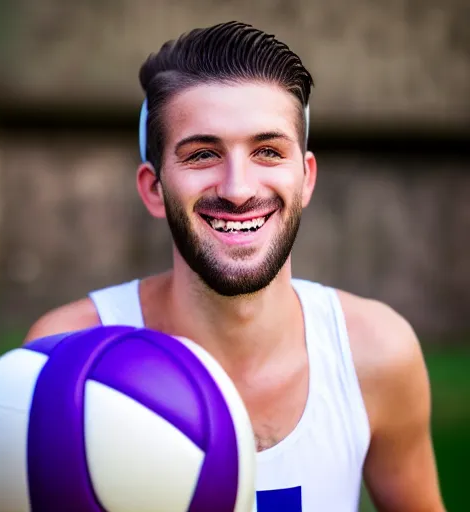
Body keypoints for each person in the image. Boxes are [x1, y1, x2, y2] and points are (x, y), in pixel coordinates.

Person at [24, 21, 446, 512]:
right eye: (203, 154)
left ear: (305, 179)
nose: (238, 188)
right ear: (154, 188)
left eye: (268, 151)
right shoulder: (68, 357)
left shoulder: (374, 354)